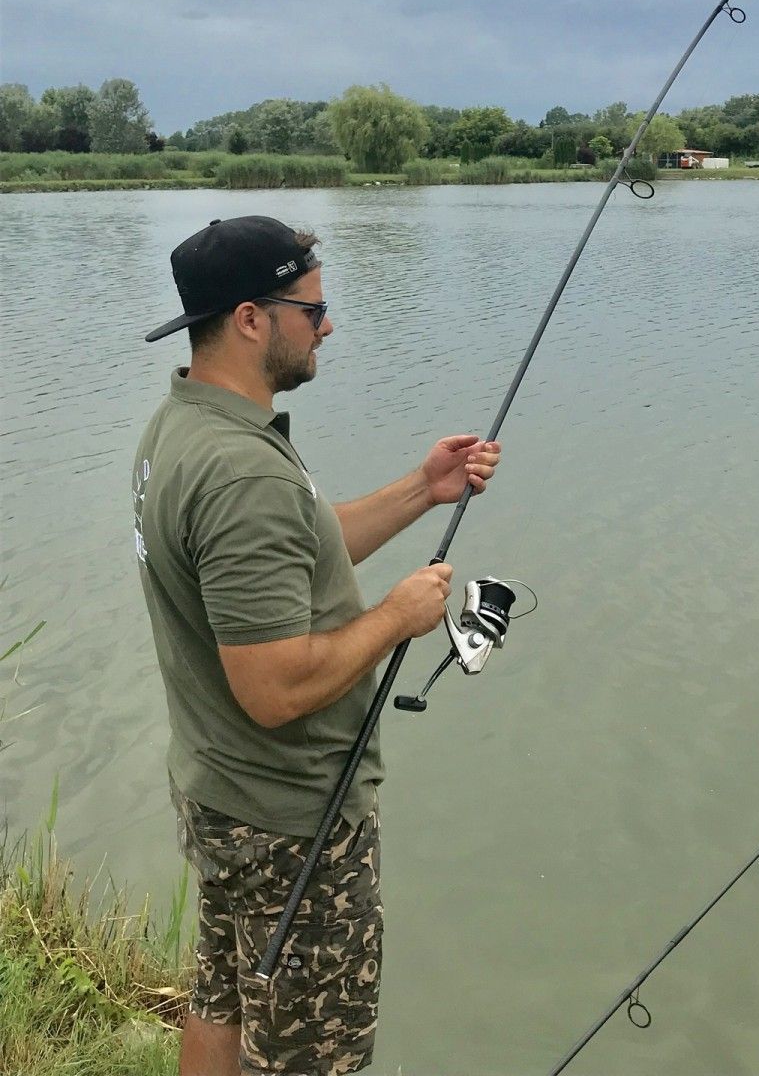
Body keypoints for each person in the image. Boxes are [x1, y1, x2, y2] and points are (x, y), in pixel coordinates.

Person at [133, 215, 501, 1076]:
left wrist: (423, 487)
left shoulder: (184, 427)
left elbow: (283, 555)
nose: (327, 324)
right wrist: (396, 618)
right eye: (313, 307)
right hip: (290, 819)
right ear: (253, 319)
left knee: (220, 999)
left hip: (220, 791)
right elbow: (274, 687)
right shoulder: (242, 473)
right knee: (309, 1058)